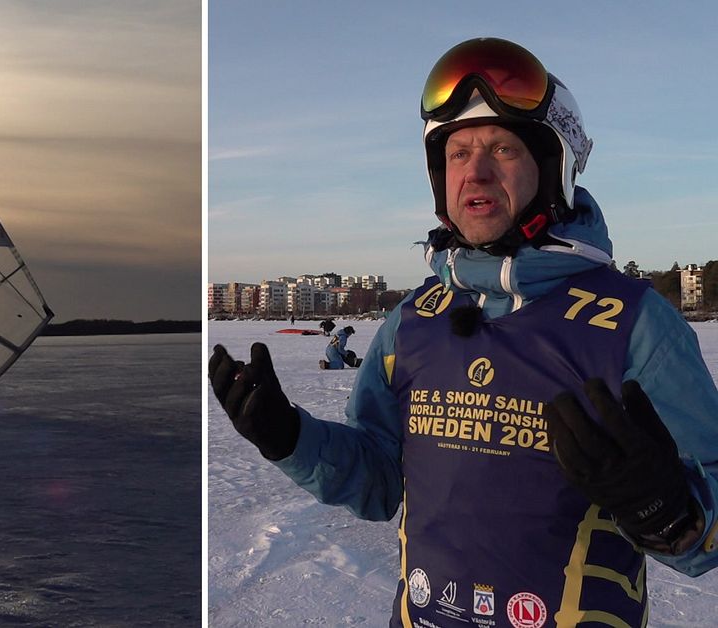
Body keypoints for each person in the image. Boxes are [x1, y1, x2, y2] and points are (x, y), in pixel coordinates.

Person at [210, 37, 718, 626]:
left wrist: (667, 513)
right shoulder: (413, 319)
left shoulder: (632, 321)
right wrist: (288, 437)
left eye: (501, 147)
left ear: (554, 170)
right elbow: (379, 479)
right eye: (456, 153)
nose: (474, 171)